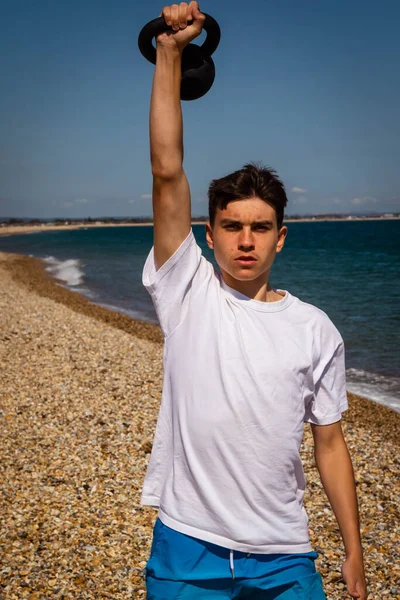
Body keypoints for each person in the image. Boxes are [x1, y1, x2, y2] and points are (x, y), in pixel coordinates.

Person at [141, 2, 368, 599]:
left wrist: (353, 548)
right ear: (208, 234)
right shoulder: (186, 288)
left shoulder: (315, 329)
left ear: (281, 237)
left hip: (285, 553)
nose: (246, 240)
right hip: (188, 545)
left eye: (261, 227)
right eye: (232, 226)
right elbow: (168, 171)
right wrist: (169, 54)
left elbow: (330, 443)